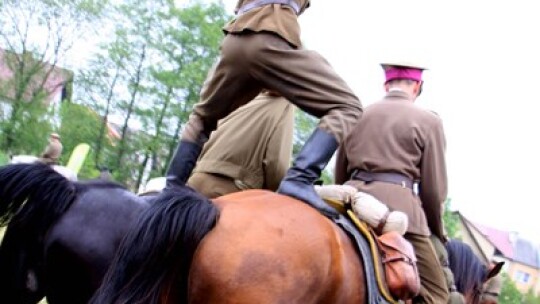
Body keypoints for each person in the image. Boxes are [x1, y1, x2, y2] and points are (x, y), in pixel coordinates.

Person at [163, 0, 362, 218]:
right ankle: (300, 178)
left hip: (235, 39)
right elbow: (275, 163)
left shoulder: (248, 102)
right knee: (347, 106)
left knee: (201, 117)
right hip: (272, 36)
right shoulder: (279, 103)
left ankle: (171, 189)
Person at [335, 62, 449, 303]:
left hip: (352, 201)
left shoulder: (357, 113)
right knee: (438, 295)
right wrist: (437, 229)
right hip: (400, 210)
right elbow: (433, 189)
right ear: (418, 86)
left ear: (386, 84)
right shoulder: (429, 121)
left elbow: (340, 171)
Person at [187, 91, 295, 198]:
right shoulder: (284, 103)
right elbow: (276, 165)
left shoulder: (237, 94)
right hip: (229, 193)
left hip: (192, 183)